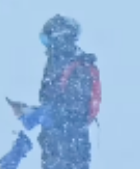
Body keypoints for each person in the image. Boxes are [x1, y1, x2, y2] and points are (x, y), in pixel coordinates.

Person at [7, 15, 101, 169]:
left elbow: (71, 112)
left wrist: (34, 116)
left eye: (47, 40)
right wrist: (29, 112)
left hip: (69, 152)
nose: (46, 46)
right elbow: (55, 106)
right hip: (56, 149)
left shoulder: (79, 69)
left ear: (60, 38)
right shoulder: (59, 65)